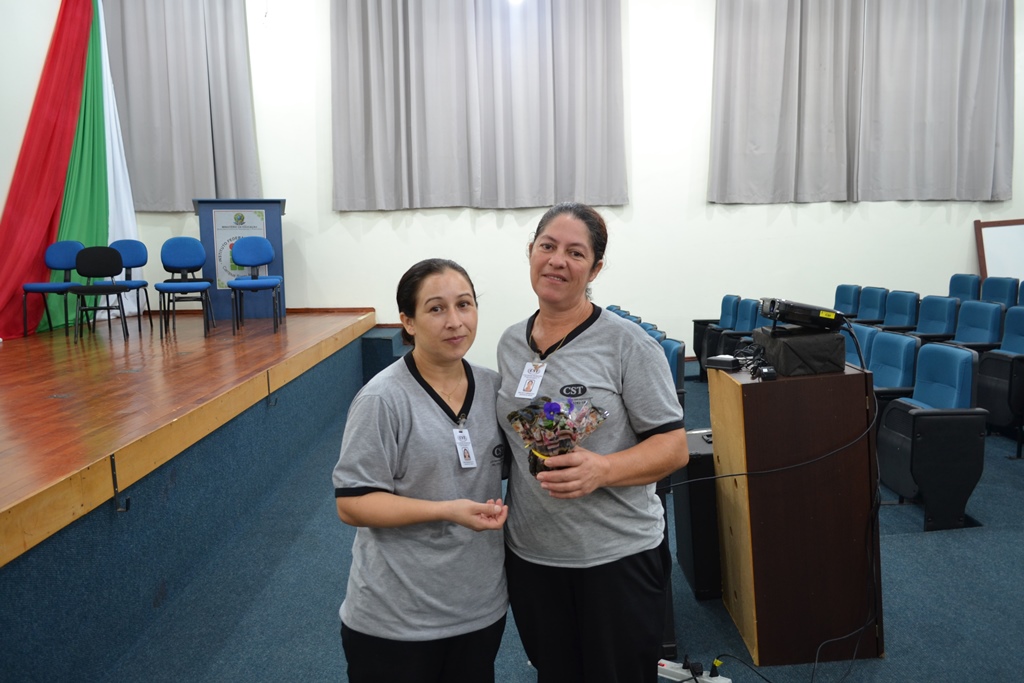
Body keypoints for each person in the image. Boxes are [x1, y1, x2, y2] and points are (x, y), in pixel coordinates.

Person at [496, 202, 689, 683]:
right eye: (547, 246)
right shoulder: (510, 343)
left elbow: (673, 447)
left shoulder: (628, 345)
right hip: (533, 557)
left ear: (595, 268)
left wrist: (603, 470)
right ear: (531, 252)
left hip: (614, 558)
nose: (557, 260)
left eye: (575, 253)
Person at [333, 258, 509, 683]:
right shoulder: (382, 399)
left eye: (464, 305)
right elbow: (353, 504)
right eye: (436, 309)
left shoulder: (495, 389)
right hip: (397, 619)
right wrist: (446, 510)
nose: (455, 322)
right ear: (408, 322)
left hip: (479, 609)